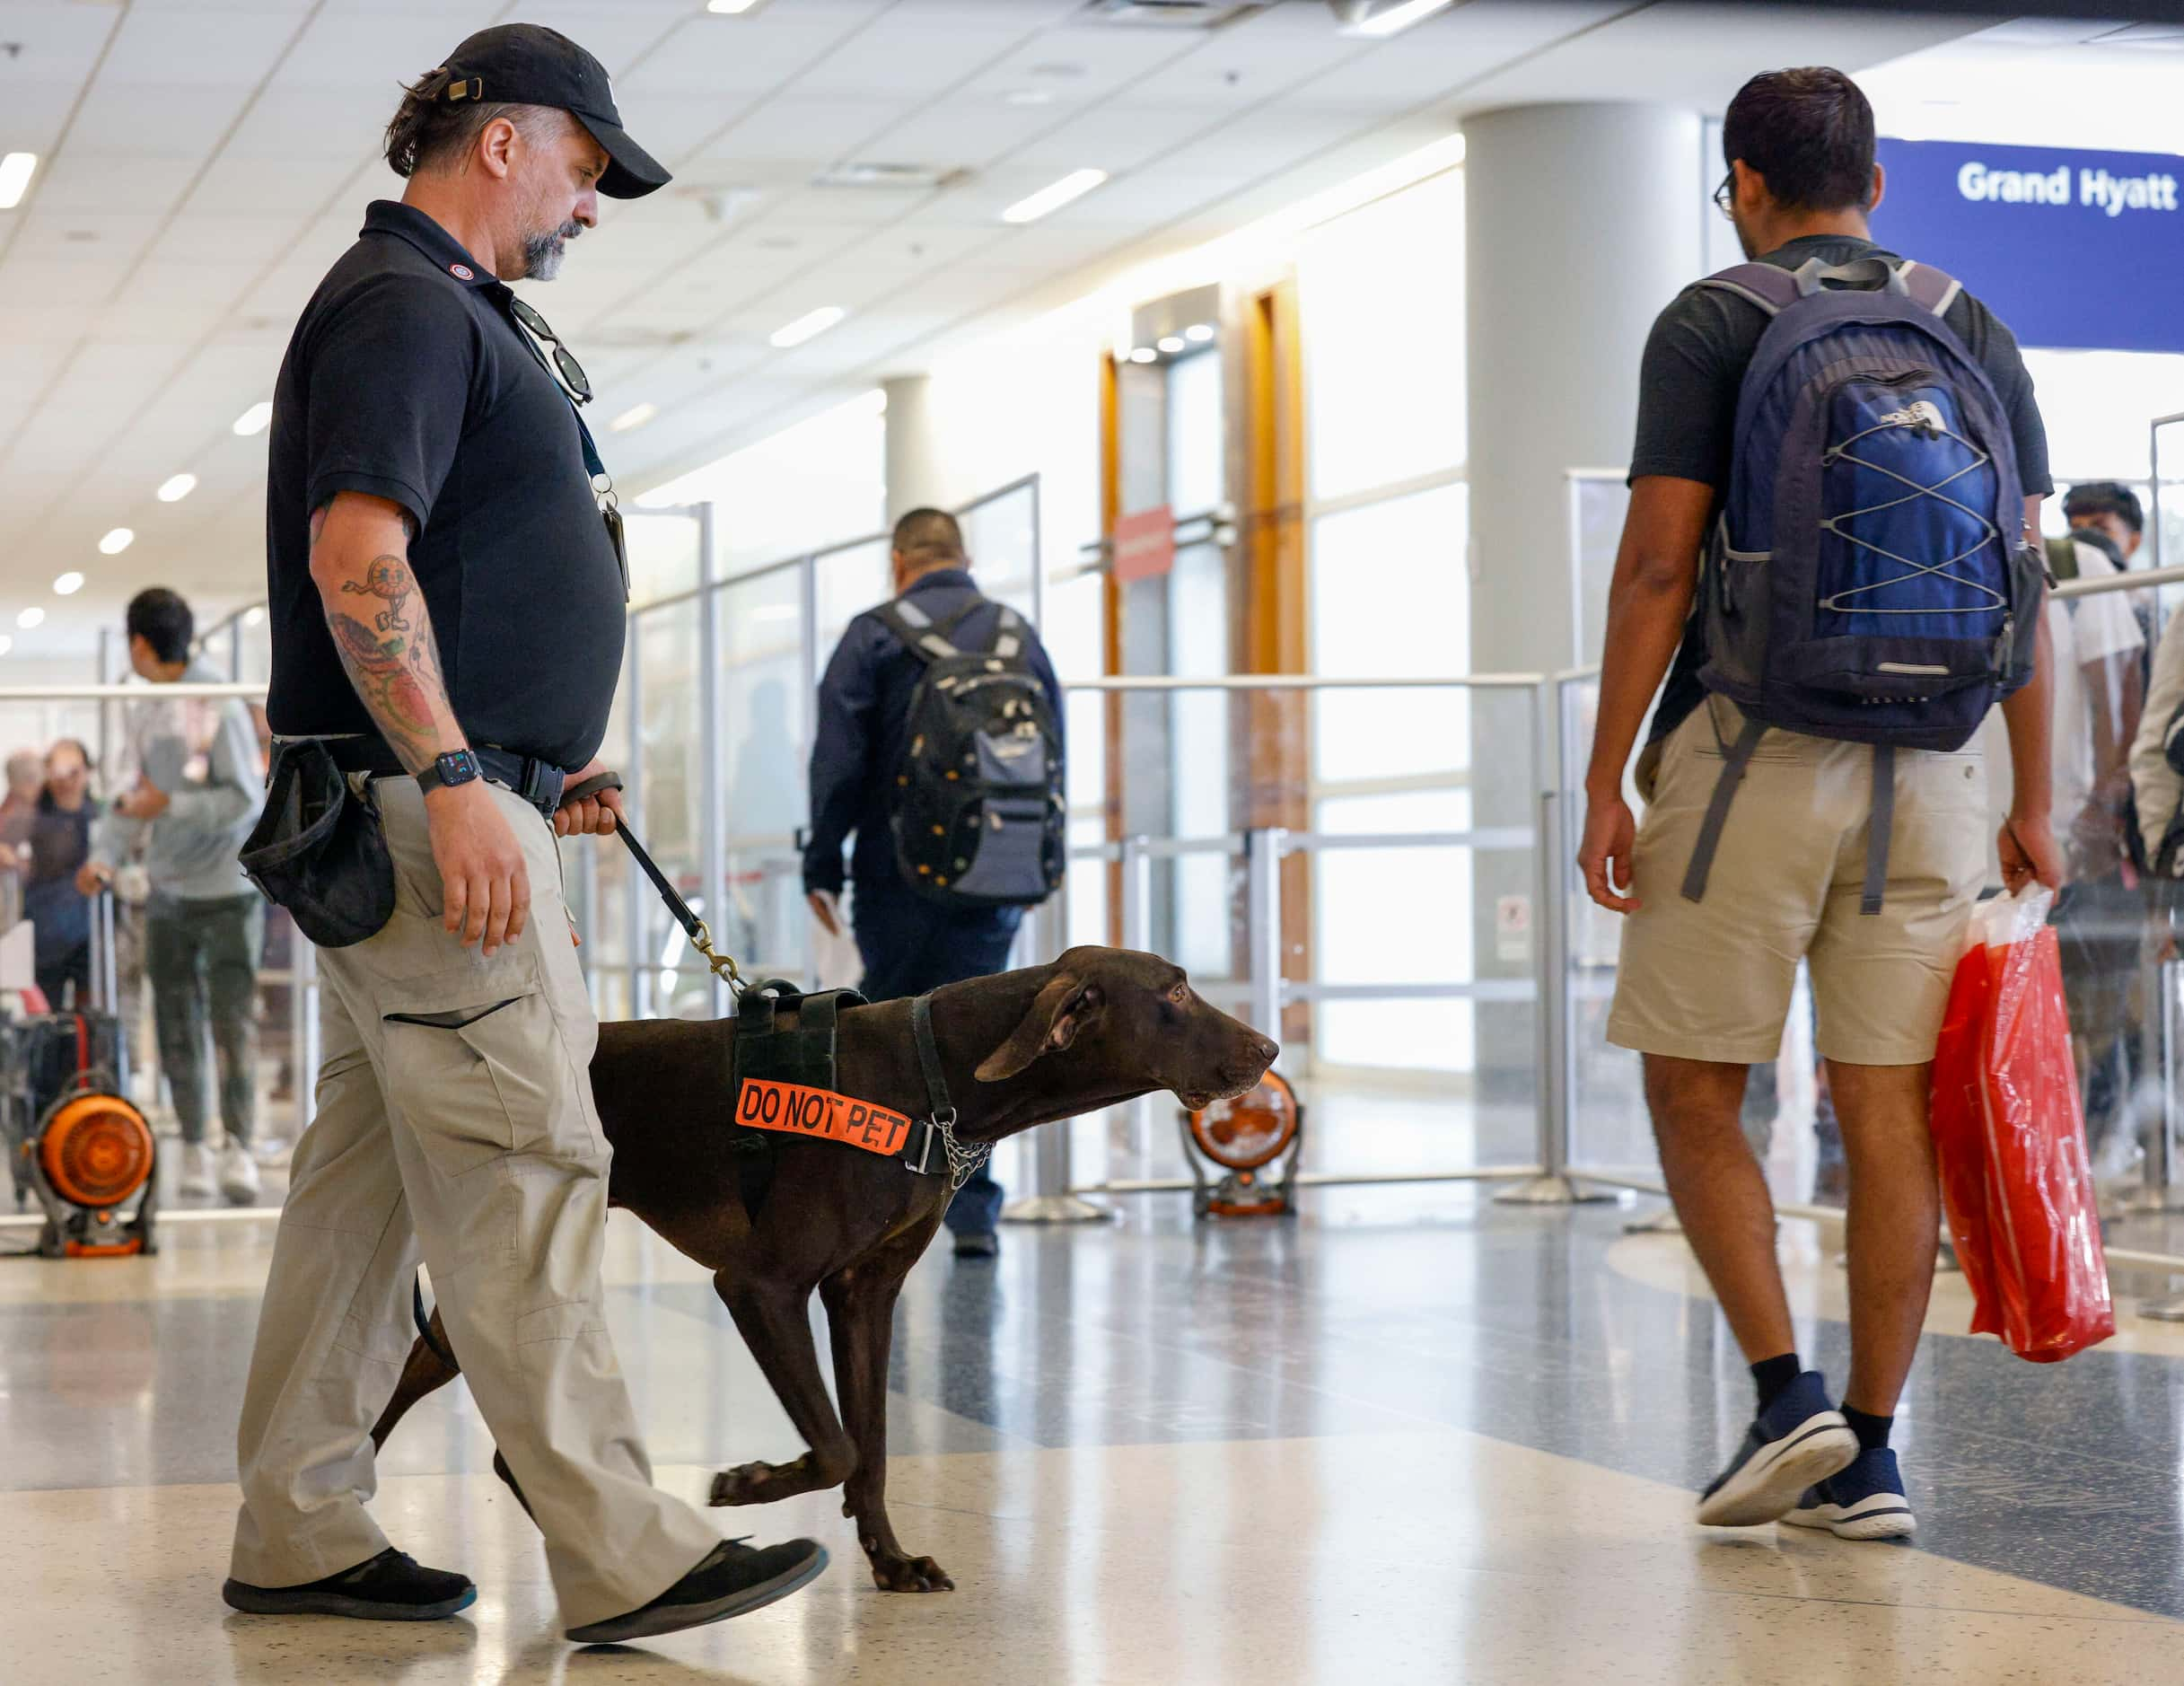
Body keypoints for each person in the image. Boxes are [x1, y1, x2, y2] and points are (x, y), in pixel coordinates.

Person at [225, 25, 825, 1643]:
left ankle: (296, 1523)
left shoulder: (447, 310)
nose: (593, 202)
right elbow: (361, 556)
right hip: (430, 819)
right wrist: (452, 771)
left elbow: (456, 570)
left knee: (366, 1193)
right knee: (525, 1163)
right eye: (585, 165)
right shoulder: (404, 306)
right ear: (503, 139)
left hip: (450, 801)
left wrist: (535, 757)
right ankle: (625, 1545)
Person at [1578, 67, 2058, 1542]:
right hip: (1932, 767)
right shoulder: (1963, 318)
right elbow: (2023, 583)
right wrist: (2031, 790)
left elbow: (1661, 561)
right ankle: (1870, 1452)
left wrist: (1603, 773)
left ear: (1739, 181)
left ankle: (1782, 1393)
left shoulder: (1713, 316)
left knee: (1691, 1077)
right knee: (1884, 1100)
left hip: (1749, 758)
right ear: (1874, 181)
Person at [803, 507, 1065, 1260]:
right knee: (984, 1033)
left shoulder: (874, 633)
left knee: (888, 1033)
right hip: (997, 877)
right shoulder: (1018, 634)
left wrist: (822, 862)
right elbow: (1053, 758)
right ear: (964, 556)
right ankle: (973, 1212)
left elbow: (838, 766)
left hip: (897, 875)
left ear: (898, 562)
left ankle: (881, 1203)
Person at [78, 590, 266, 1206]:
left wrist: (171, 805)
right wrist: (104, 855)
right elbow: (133, 796)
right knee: (175, 1024)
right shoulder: (150, 710)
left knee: (231, 1022)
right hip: (166, 896)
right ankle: (193, 1144)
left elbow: (242, 800)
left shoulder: (214, 704)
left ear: (139, 643)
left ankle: (238, 1144)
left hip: (227, 896)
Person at [2046, 492, 2147, 1183]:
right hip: (2013, 840)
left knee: (2095, 1022)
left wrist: (2102, 812)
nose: (2087, 535)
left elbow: (2125, 708)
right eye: (2077, 522)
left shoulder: (2093, 580)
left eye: (2101, 525)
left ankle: (2092, 1168)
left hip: (2090, 849)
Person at [25, 739, 100, 1010]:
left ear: (87, 772)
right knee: (46, 1018)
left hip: (91, 933)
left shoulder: (100, 816)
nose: (66, 780)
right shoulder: (29, 816)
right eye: (58, 770)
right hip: (45, 935)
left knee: (91, 1016)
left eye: (74, 771)